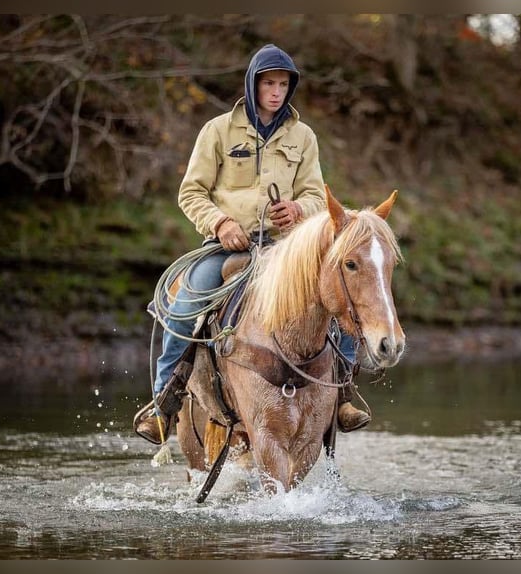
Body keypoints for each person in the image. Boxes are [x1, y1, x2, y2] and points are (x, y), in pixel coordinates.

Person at [134, 44, 370, 445]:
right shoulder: (218, 130)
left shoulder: (303, 136)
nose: (276, 91)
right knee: (184, 307)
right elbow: (191, 192)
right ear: (253, 84)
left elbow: (317, 195)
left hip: (285, 251)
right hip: (225, 247)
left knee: (339, 298)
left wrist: (297, 209)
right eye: (268, 83)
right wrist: (220, 221)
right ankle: (164, 403)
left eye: (282, 84)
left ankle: (343, 392)